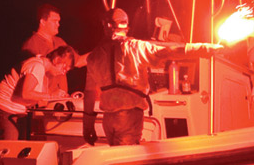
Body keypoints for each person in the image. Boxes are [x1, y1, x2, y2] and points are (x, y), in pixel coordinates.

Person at [82, 8, 224, 146]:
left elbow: (89, 93)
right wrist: (205, 48)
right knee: (125, 162)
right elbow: (169, 51)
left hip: (108, 119)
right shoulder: (136, 48)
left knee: (115, 158)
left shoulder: (94, 56)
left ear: (106, 25)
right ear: (126, 25)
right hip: (129, 116)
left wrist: (87, 126)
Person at [0, 45, 75, 140]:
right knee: (10, 147)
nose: (63, 73)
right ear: (57, 59)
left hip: (17, 110)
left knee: (23, 142)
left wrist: (59, 97)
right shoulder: (37, 66)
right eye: (64, 68)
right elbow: (26, 93)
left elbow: (38, 97)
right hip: (5, 107)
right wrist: (51, 95)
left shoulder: (43, 70)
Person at [21, 3, 87, 95]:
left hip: (60, 98)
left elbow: (78, 61)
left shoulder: (60, 42)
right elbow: (31, 76)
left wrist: (102, 51)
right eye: (54, 21)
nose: (58, 24)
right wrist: (49, 95)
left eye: (59, 21)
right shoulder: (32, 44)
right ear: (43, 22)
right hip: (42, 100)